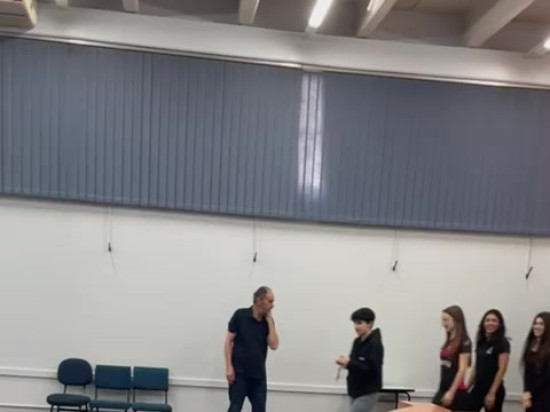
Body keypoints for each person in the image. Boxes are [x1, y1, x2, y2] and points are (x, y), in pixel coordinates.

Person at [224, 286, 279, 412]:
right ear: (259, 300)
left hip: (258, 376)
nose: (273, 306)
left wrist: (270, 321)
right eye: (270, 301)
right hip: (239, 375)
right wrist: (229, 367)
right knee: (235, 408)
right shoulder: (240, 315)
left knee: (260, 409)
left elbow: (274, 345)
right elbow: (228, 341)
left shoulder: (268, 322)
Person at [336, 307, 384, 412]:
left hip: (367, 391)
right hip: (354, 390)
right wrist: (345, 363)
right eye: (355, 323)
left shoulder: (374, 344)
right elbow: (355, 364)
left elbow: (372, 370)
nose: (356, 327)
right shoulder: (357, 342)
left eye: (359, 323)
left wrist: (349, 363)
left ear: (369, 323)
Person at [467, 309, 510, 412]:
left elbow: (502, 369)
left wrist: (492, 393)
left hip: (494, 390)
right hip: (478, 388)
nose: (490, 323)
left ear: (499, 324)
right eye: (488, 320)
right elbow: (476, 367)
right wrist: (467, 387)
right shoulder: (481, 341)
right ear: (483, 323)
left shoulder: (503, 342)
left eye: (494, 321)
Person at [432, 305, 472, 410]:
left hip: (456, 392)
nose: (443, 323)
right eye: (442, 320)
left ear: (456, 320)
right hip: (443, 388)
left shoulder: (465, 341)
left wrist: (451, 392)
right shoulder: (449, 340)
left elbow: (462, 369)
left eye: (446, 320)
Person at [521, 312, 550, 412]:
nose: (537, 326)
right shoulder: (530, 345)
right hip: (530, 397)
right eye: (535, 323)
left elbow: (546, 377)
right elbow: (527, 373)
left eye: (541, 324)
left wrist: (530, 393)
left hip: (545, 397)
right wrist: (526, 392)